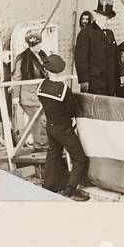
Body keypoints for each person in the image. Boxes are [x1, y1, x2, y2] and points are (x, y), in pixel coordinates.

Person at [36, 54, 90, 201]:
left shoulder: (42, 86)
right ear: (60, 70)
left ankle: (49, 186)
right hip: (64, 129)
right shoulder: (63, 89)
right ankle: (71, 189)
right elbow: (73, 109)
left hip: (50, 126)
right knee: (79, 158)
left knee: (53, 155)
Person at [12, 30, 50, 146]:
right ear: (31, 45)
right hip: (27, 95)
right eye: (37, 44)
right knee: (37, 119)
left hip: (40, 94)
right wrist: (16, 96)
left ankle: (37, 142)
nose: (39, 46)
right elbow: (17, 78)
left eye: (40, 43)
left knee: (41, 119)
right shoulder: (23, 58)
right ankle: (40, 144)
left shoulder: (42, 55)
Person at [75, 0, 119, 96]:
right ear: (98, 16)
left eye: (110, 19)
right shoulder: (86, 33)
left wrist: (122, 74)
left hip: (110, 83)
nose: (109, 22)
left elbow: (116, 56)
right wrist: (84, 81)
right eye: (107, 19)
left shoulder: (110, 34)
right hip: (95, 83)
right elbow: (80, 59)